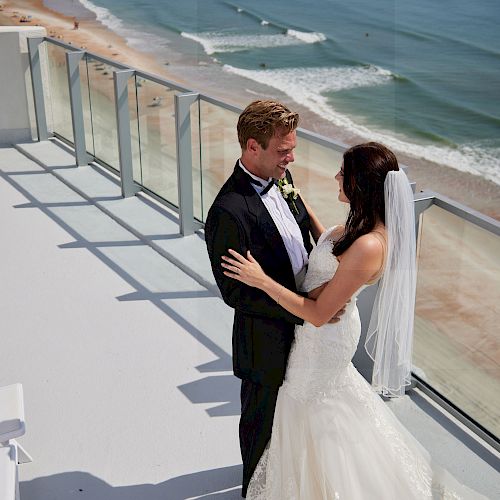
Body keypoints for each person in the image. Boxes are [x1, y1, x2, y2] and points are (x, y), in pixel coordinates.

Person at [221, 142, 488, 499]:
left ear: (360, 184)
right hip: (321, 332)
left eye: (343, 173)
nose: (336, 177)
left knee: (309, 404)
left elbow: (318, 315)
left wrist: (262, 281)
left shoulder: (371, 245)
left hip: (323, 337)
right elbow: (330, 249)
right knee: (314, 403)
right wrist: (296, 202)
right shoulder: (361, 228)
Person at [205, 100, 345, 497]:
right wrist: (305, 310)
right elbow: (235, 292)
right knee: (260, 429)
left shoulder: (283, 178)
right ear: (253, 147)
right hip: (265, 342)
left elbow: (305, 235)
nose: (292, 157)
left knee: (296, 423)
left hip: (306, 334)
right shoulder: (228, 212)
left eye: (292, 148)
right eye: (283, 150)